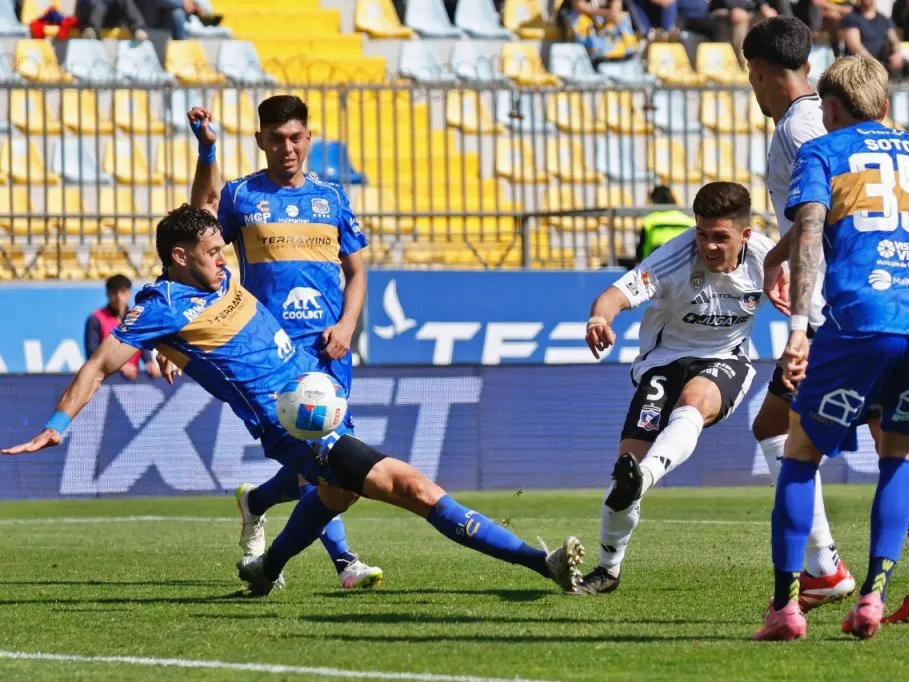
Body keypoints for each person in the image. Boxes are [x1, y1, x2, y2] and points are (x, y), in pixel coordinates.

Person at [2, 205, 585, 596]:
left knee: (333, 495)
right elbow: (100, 364)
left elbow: (203, 204)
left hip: (321, 391)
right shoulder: (159, 304)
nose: (224, 256)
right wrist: (58, 424)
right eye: (212, 250)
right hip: (299, 426)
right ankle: (543, 564)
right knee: (416, 488)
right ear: (180, 257)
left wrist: (207, 150)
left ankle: (266, 565)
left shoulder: (216, 279)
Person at [754, 56, 909, 641]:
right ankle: (875, 596)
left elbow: (811, 236)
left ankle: (787, 607)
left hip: (861, 319)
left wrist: (798, 326)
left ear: (831, 110)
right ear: (887, 107)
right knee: (898, 453)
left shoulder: (824, 152)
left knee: (798, 455)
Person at [187, 95, 382, 590]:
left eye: (295, 138)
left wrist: (347, 326)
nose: (287, 148)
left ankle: (255, 502)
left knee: (323, 462)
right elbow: (198, 227)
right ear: (260, 141)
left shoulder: (333, 197)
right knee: (324, 460)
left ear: (309, 139)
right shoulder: (240, 196)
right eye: (276, 139)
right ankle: (345, 562)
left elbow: (357, 274)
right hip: (271, 354)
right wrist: (207, 153)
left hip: (329, 351)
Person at [574, 182, 778, 594]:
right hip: (663, 361)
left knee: (695, 401)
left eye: (721, 237)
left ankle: (644, 477)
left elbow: (812, 295)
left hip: (726, 359)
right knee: (622, 477)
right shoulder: (674, 256)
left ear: (745, 234)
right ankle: (608, 570)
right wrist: (600, 321)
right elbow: (613, 296)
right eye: (703, 234)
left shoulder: (768, 259)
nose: (709, 246)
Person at [85, 274, 160, 381]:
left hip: (131, 382)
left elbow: (141, 344)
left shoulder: (136, 316)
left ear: (129, 293)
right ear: (107, 294)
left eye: (123, 292)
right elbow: (92, 353)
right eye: (114, 293)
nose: (119, 297)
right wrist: (120, 366)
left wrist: (149, 362)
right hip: (104, 380)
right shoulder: (96, 319)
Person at [840, 0, 909, 83]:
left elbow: (894, 40)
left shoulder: (883, 19)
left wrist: (897, 54)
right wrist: (874, 65)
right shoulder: (851, 18)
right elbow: (855, 46)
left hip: (881, 68)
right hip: (858, 69)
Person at [635, 186, 696, 265]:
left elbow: (642, 248)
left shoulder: (649, 220)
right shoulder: (688, 220)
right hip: (683, 263)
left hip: (655, 264)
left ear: (654, 201)